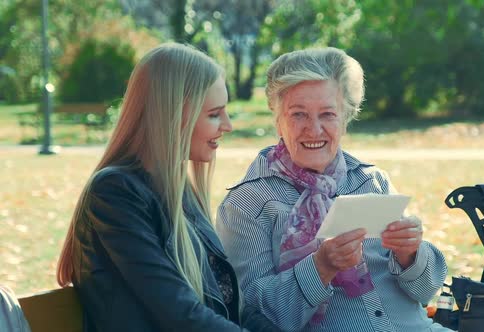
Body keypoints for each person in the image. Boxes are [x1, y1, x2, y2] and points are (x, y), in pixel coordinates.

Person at [216, 47, 451, 331]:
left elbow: (425, 292)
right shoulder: (247, 203)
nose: (314, 130)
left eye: (327, 114)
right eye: (298, 114)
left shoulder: (372, 181)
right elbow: (249, 313)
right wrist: (319, 268)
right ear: (277, 119)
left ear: (346, 117)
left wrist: (411, 254)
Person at [56, 42, 279, 332]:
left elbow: (230, 307)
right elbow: (180, 314)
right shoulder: (115, 193)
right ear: (173, 115)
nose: (228, 125)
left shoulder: (179, 190)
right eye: (214, 114)